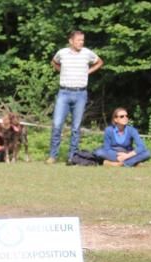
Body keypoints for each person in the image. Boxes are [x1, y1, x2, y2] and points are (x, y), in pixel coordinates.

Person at [46, 30, 104, 165]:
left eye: (82, 40)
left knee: (76, 127)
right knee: (57, 124)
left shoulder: (87, 53)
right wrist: (62, 71)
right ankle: (53, 155)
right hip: (64, 93)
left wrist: (88, 72)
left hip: (80, 94)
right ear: (71, 41)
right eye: (78, 40)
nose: (81, 42)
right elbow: (54, 62)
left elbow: (100, 62)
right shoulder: (62, 53)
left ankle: (72, 156)